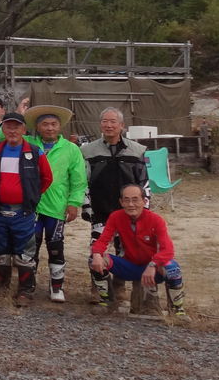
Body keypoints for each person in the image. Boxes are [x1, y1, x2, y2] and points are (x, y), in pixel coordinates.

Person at [0, 113, 53, 305]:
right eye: (8, 127)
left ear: (24, 129)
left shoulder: (35, 151)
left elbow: (47, 178)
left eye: (16, 127)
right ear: (2, 130)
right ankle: (1, 288)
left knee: (25, 253)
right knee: (1, 251)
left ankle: (25, 291)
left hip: (23, 212)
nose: (12, 131)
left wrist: (32, 195)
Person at [90, 184, 186, 318]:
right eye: (126, 200)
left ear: (144, 201)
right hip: (129, 266)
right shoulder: (116, 217)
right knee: (94, 260)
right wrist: (96, 254)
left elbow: (168, 250)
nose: (131, 204)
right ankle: (108, 302)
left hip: (152, 269)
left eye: (135, 200)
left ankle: (177, 310)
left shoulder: (156, 220)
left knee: (173, 268)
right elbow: (102, 241)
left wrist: (153, 264)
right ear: (121, 202)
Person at [25, 104, 87, 303]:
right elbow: (3, 135)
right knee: (30, 246)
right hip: (32, 206)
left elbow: (78, 180)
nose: (50, 128)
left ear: (60, 126)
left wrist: (74, 203)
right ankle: (28, 286)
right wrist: (19, 112)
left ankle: (57, 287)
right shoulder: (28, 144)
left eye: (53, 124)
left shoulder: (71, 149)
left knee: (55, 246)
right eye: (45, 124)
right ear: (37, 127)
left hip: (57, 207)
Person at [81, 107, 149, 253]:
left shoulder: (138, 150)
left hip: (128, 209)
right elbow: (82, 181)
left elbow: (144, 182)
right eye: (105, 121)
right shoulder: (87, 151)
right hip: (100, 210)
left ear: (122, 125)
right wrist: (86, 206)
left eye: (113, 121)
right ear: (100, 124)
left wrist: (144, 206)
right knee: (97, 253)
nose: (109, 125)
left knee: (127, 253)